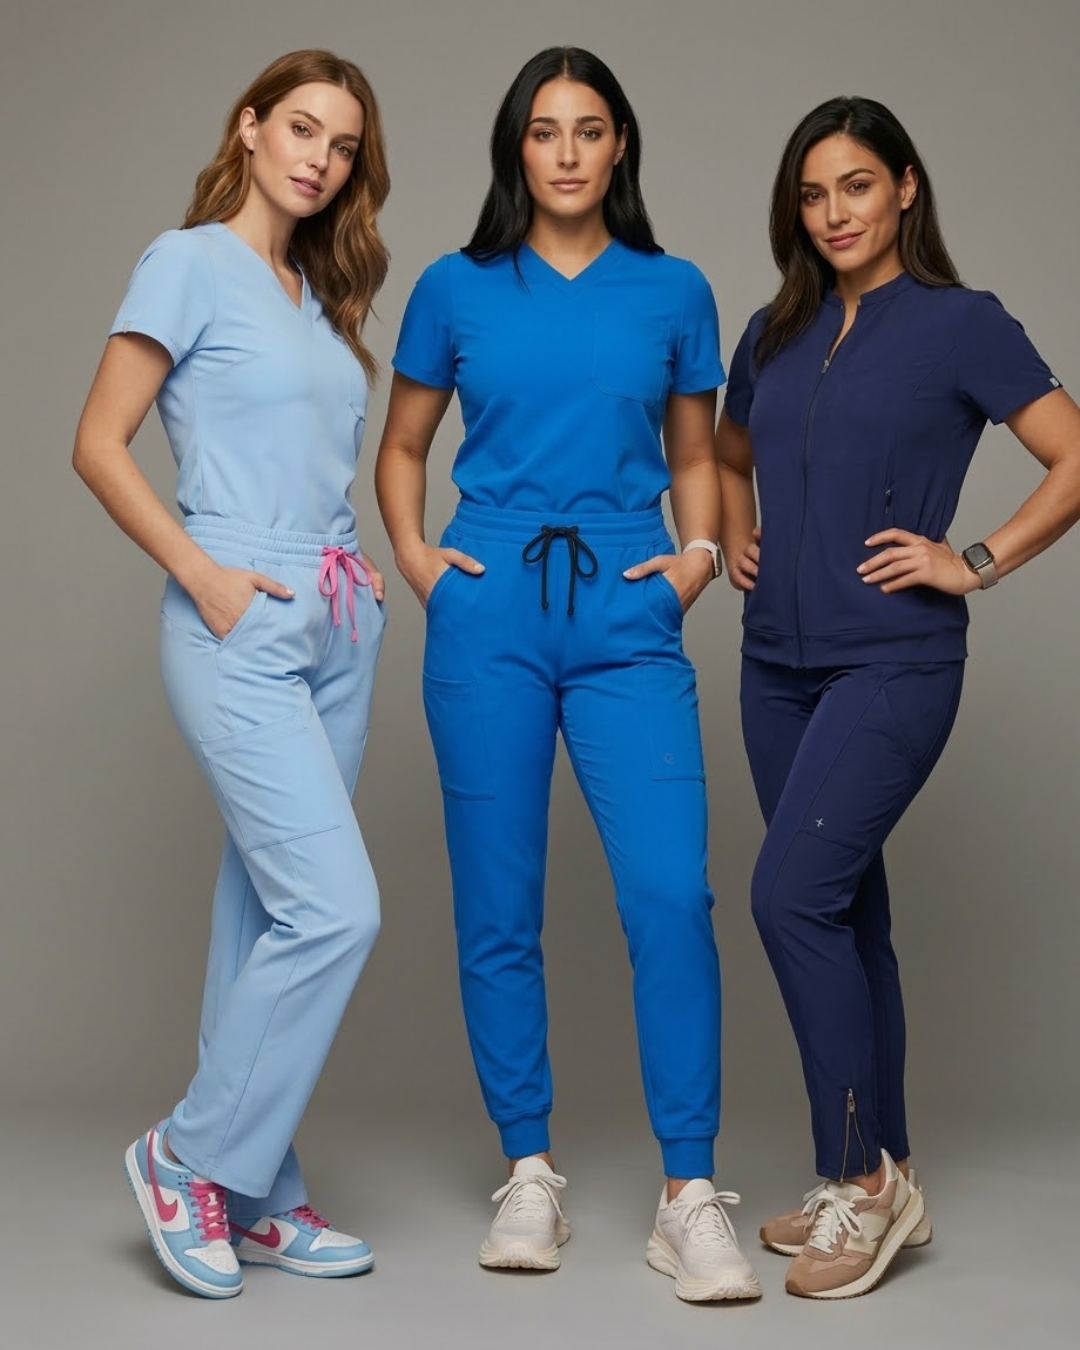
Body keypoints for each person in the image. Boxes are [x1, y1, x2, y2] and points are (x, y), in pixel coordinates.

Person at [376, 46, 760, 1303]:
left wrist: (697, 557)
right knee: (500, 904)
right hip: (488, 604)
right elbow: (405, 447)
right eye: (545, 132)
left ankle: (688, 1193)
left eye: (591, 131)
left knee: (669, 893)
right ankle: (528, 1170)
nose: (568, 153)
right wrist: (426, 565)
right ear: (516, 151)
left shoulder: (675, 289)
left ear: (620, 148)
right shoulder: (454, 285)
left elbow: (695, 452)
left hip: (624, 604)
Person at [716, 94, 1080, 1300]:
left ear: (906, 189)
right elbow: (725, 455)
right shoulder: (772, 332)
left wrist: (970, 559)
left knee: (789, 897)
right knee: (847, 916)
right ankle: (891, 1175)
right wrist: (735, 534)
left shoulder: (960, 324)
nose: (834, 214)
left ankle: (858, 1186)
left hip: (894, 660)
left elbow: (1072, 453)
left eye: (857, 187)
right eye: (813, 195)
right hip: (776, 664)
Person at [73, 49, 391, 1299]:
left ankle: (258, 1193)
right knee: (338, 908)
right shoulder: (188, 258)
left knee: (264, 910)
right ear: (250, 129)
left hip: (338, 614)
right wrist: (204, 575)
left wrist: (352, 591)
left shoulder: (316, 294)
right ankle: (186, 1155)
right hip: (238, 609)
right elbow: (99, 445)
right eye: (301, 129)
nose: (319, 157)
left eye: (344, 144)